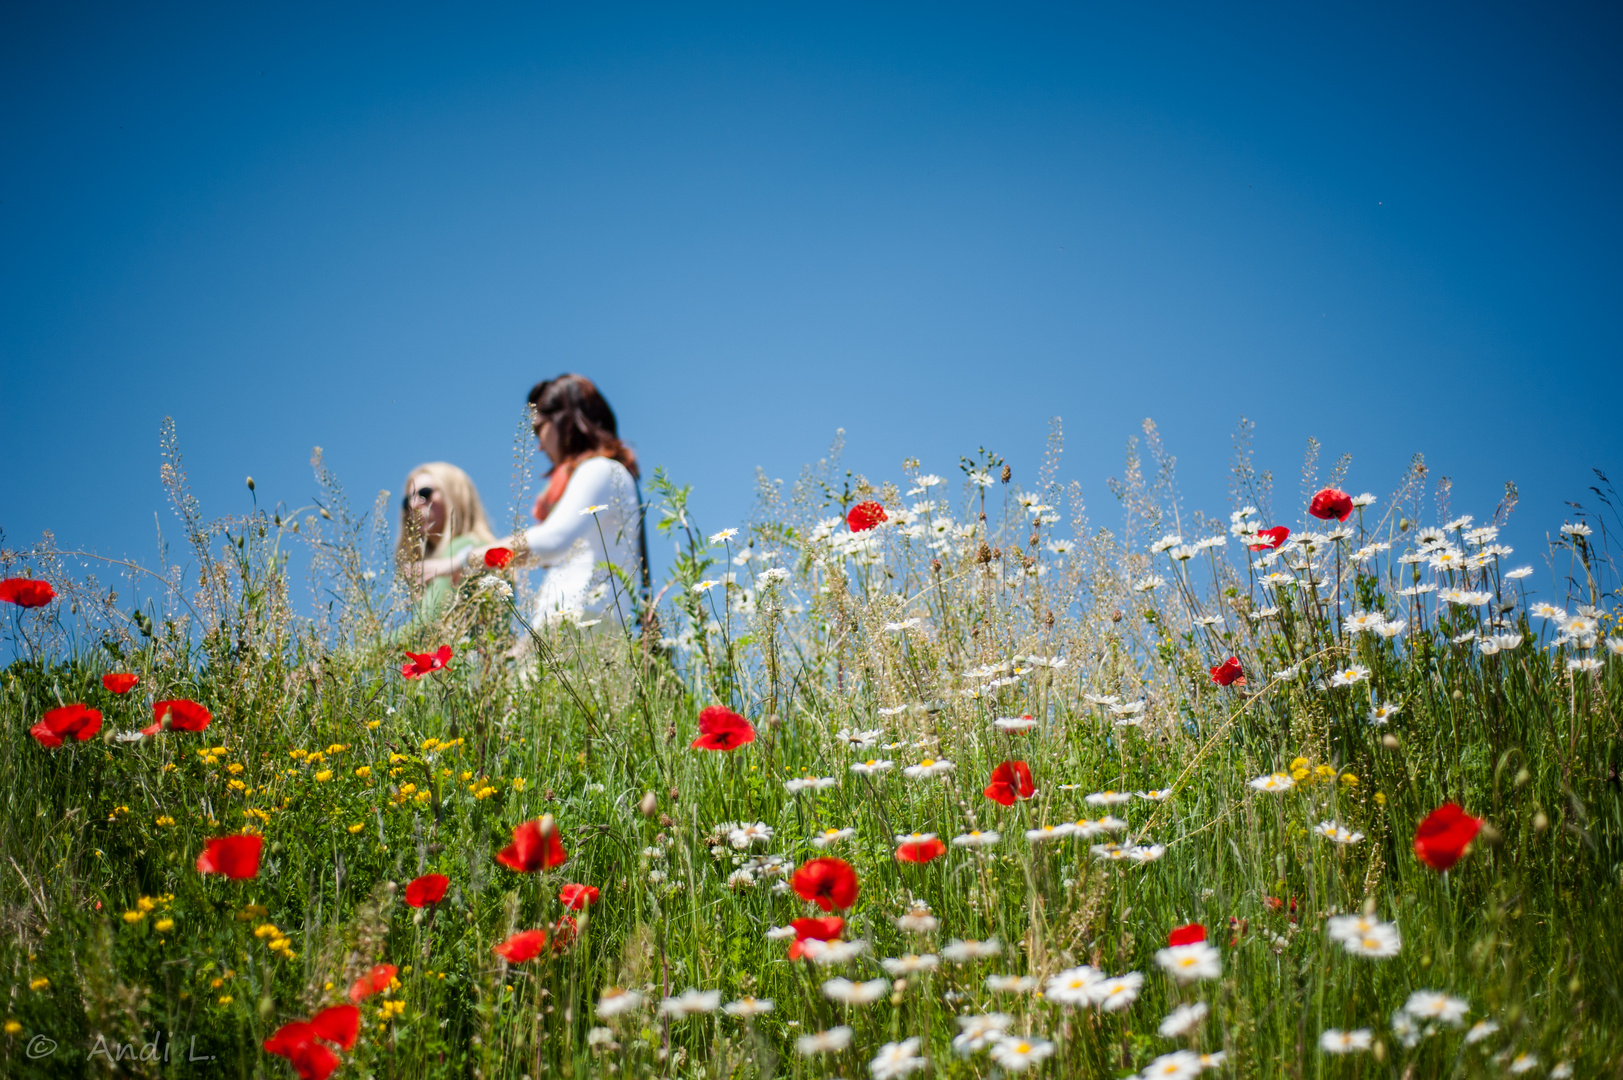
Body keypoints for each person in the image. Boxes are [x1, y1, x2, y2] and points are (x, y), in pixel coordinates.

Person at [422, 374, 646, 629]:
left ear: (566, 419)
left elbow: (551, 541)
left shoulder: (600, 470)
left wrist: (463, 561)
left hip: (582, 621)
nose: (538, 445)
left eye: (539, 428)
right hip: (582, 622)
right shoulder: (608, 473)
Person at [395, 462, 497, 635]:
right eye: (407, 501)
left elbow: (426, 624)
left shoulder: (462, 548)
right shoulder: (476, 547)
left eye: (424, 493)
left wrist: (356, 654)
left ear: (455, 495)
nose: (413, 504)